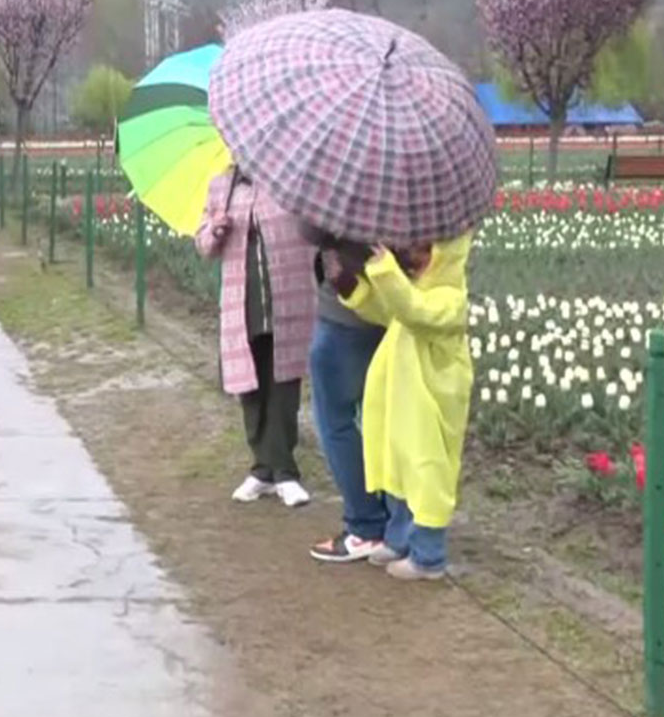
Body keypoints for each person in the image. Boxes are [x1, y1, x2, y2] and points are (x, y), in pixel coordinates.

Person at [339, 236, 474, 581]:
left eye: (426, 251)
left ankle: (428, 557)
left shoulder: (450, 299)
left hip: (429, 407)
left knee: (426, 474)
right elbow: (389, 311)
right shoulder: (415, 287)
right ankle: (399, 539)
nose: (415, 256)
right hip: (402, 403)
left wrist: (384, 268)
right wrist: (353, 288)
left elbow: (414, 311)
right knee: (399, 471)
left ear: (448, 256)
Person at [195, 168, 316, 507]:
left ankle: (285, 472)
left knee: (283, 381)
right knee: (249, 385)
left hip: (286, 296)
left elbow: (310, 232)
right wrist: (215, 230)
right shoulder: (222, 186)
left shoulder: (289, 180)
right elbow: (203, 244)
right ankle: (262, 469)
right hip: (242, 300)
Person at [307, 242, 390, 563]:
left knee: (335, 422)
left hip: (345, 315)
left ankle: (366, 525)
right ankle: (397, 522)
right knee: (381, 421)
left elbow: (309, 227)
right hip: (392, 313)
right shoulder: (414, 196)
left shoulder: (347, 195)